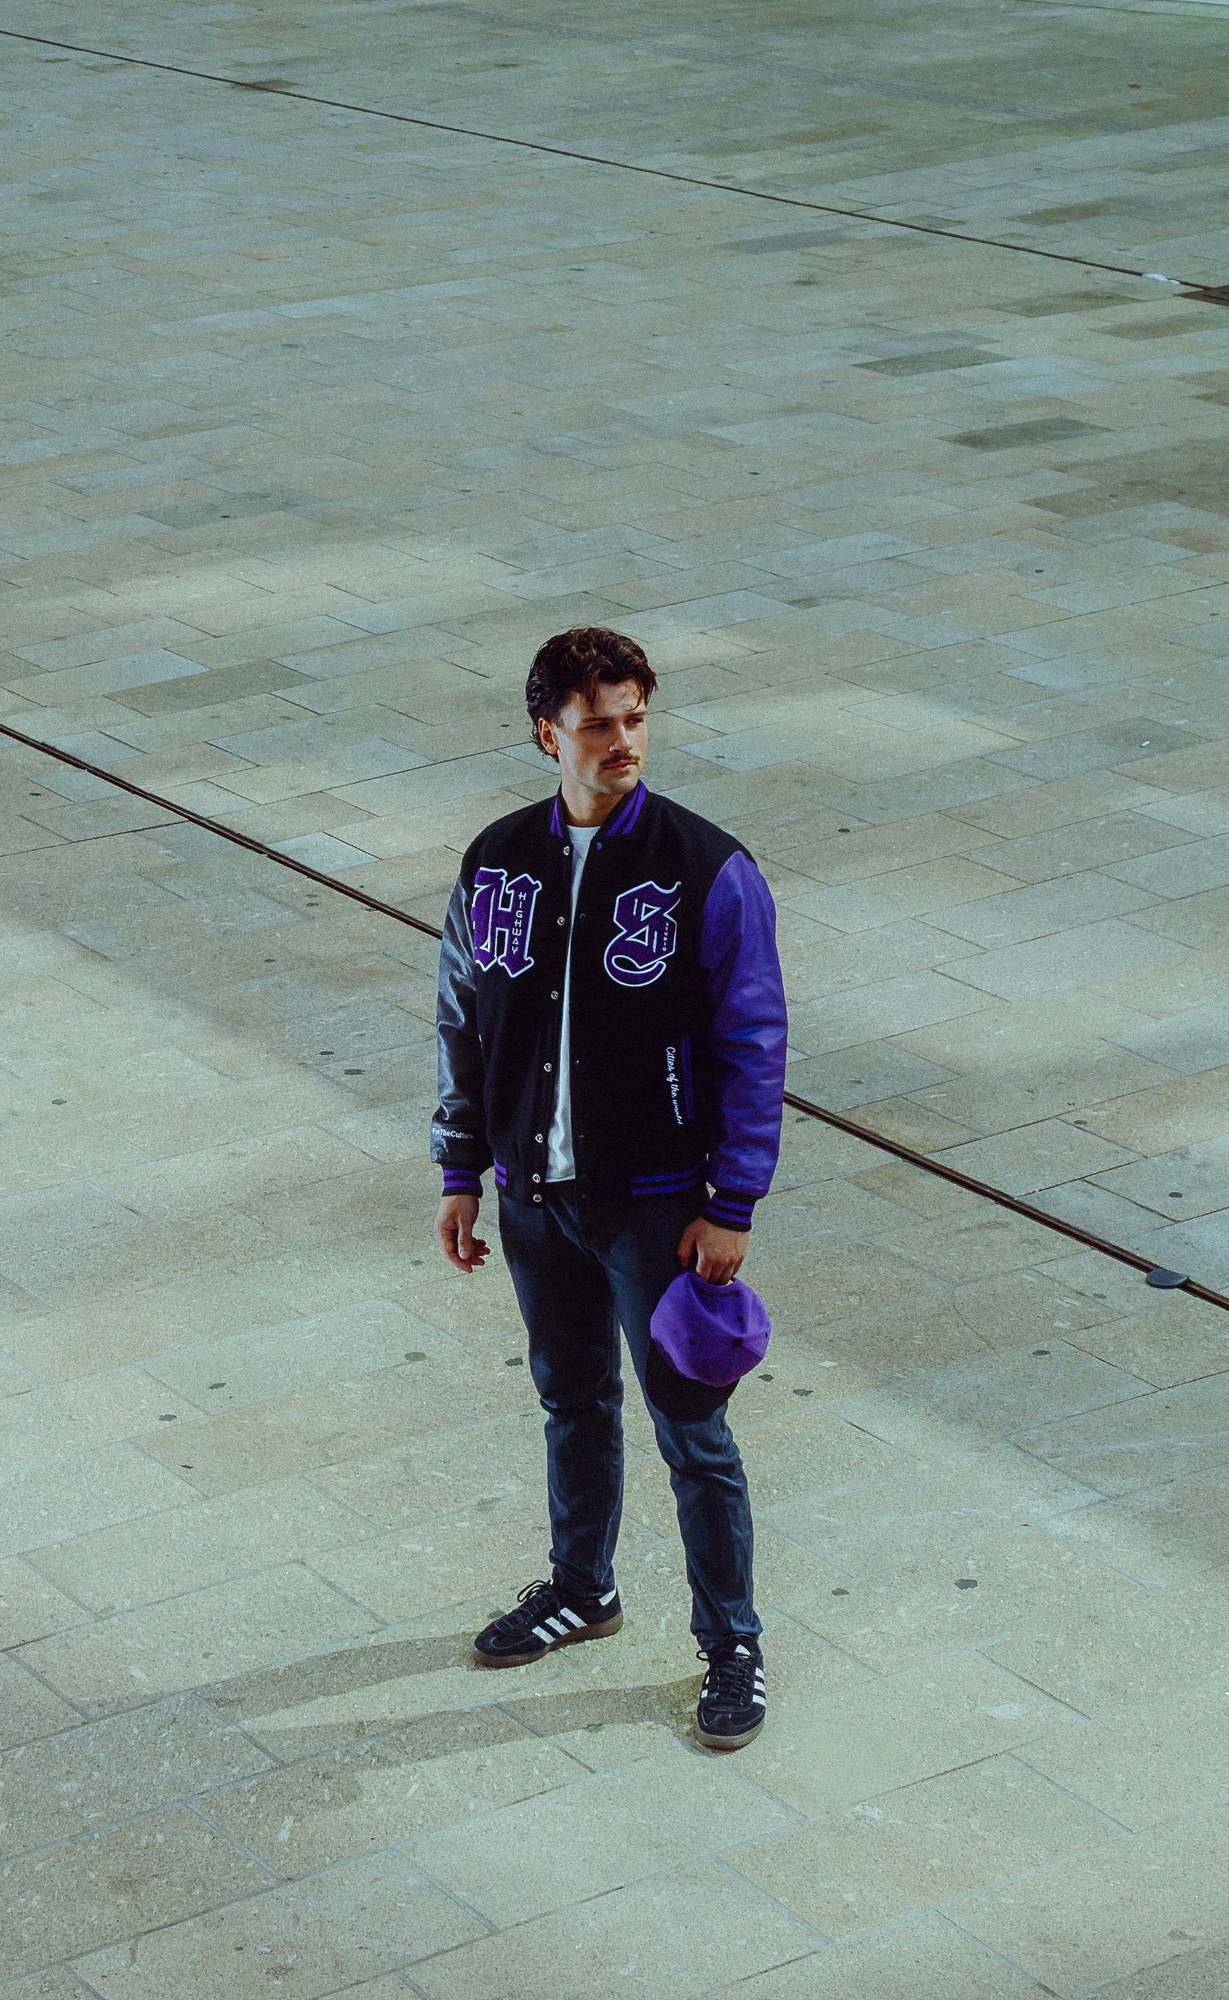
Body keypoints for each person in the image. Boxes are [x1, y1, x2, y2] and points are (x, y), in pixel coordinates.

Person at [431, 626, 787, 1750]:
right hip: (538, 1192)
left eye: (636, 716)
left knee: (693, 1430)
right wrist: (460, 1171)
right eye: (598, 722)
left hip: (655, 1203)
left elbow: (754, 1041)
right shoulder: (494, 862)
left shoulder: (706, 866)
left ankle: (732, 1644)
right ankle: (582, 1588)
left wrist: (730, 1203)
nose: (624, 740)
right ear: (548, 733)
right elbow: (461, 1021)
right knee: (570, 1398)